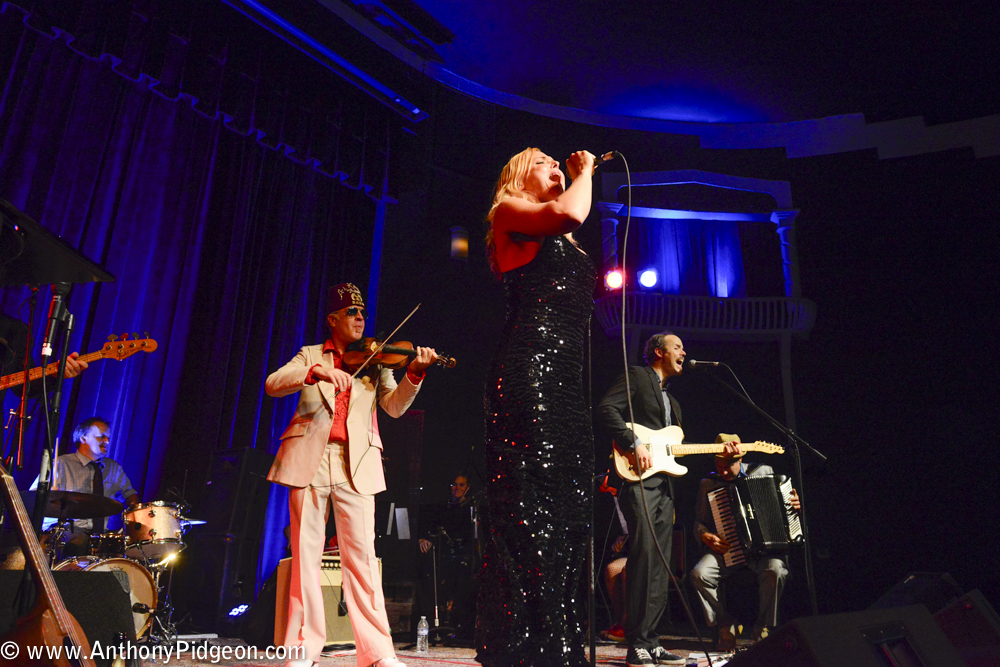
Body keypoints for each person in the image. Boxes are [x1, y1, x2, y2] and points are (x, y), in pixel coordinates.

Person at [265, 282, 438, 667]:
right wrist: (315, 373)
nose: (360, 318)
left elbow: (393, 408)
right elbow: (273, 384)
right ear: (332, 319)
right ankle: (303, 649)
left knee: (361, 558)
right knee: (305, 557)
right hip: (308, 459)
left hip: (356, 464)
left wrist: (414, 375)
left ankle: (376, 652)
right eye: (351, 312)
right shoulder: (311, 354)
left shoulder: (375, 361)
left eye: (362, 313)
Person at [478, 148, 597, 667]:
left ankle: (560, 644)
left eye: (560, 163)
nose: (557, 165)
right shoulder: (509, 210)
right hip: (529, 375)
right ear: (519, 173)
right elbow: (570, 212)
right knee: (531, 511)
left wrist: (574, 180)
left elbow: (569, 221)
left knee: (570, 513)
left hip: (567, 384)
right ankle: (528, 650)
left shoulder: (561, 236)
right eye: (544, 160)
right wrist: (585, 172)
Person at [595, 332, 688, 667]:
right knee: (644, 557)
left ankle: (651, 640)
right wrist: (633, 442)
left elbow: (671, 449)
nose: (684, 352)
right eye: (677, 347)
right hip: (639, 481)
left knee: (662, 564)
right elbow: (607, 409)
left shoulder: (673, 403)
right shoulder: (637, 376)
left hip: (664, 487)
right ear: (659, 352)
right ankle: (636, 642)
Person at [690, 441, 800, 650]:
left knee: (776, 570)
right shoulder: (709, 483)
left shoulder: (764, 471)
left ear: (740, 459)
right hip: (727, 549)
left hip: (762, 551)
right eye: (719, 465)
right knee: (699, 574)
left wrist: (793, 504)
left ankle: (763, 627)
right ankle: (725, 624)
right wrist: (706, 536)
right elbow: (698, 523)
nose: (722, 471)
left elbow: (784, 509)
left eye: (728, 466)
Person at [30, 416, 138, 556]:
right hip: (65, 530)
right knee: (80, 542)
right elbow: (32, 496)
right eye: (102, 436)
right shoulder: (60, 464)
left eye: (108, 437)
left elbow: (129, 494)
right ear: (83, 438)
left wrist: (133, 512)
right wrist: (49, 496)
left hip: (98, 535)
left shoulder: (114, 468)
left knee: (121, 552)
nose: (107, 441)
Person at [417, 474, 478, 642]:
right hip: (445, 554)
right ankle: (437, 623)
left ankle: (459, 627)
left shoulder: (471, 508)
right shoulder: (444, 507)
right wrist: (424, 538)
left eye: (461, 485)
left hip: (464, 555)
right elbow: (432, 527)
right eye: (454, 484)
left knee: (462, 582)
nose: (457, 488)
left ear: (468, 487)